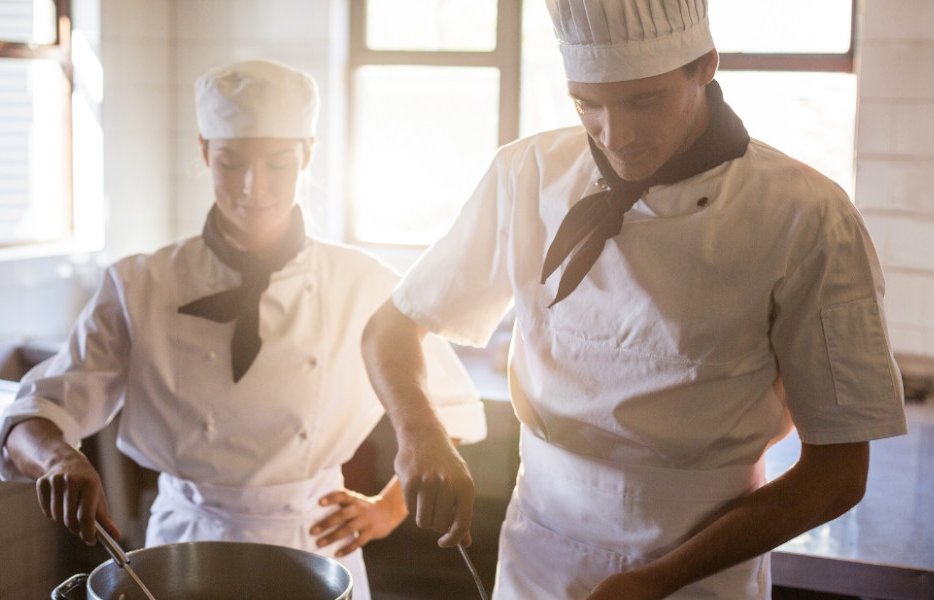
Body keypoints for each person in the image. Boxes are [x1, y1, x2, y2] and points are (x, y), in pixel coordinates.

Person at [360, 1, 908, 598]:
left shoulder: (807, 217)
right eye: (586, 104)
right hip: (538, 549)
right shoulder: (528, 174)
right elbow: (389, 329)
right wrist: (420, 433)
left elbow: (838, 476)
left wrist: (656, 581)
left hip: (700, 567)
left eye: (643, 101)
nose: (613, 136)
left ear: (705, 66)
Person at [0, 58, 486, 599]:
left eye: (277, 163)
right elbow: (31, 417)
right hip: (182, 549)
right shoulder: (139, 285)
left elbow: (448, 411)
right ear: (204, 152)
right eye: (231, 162)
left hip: (315, 545)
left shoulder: (364, 283)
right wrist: (61, 458)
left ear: (308, 154)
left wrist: (388, 509)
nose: (255, 187)